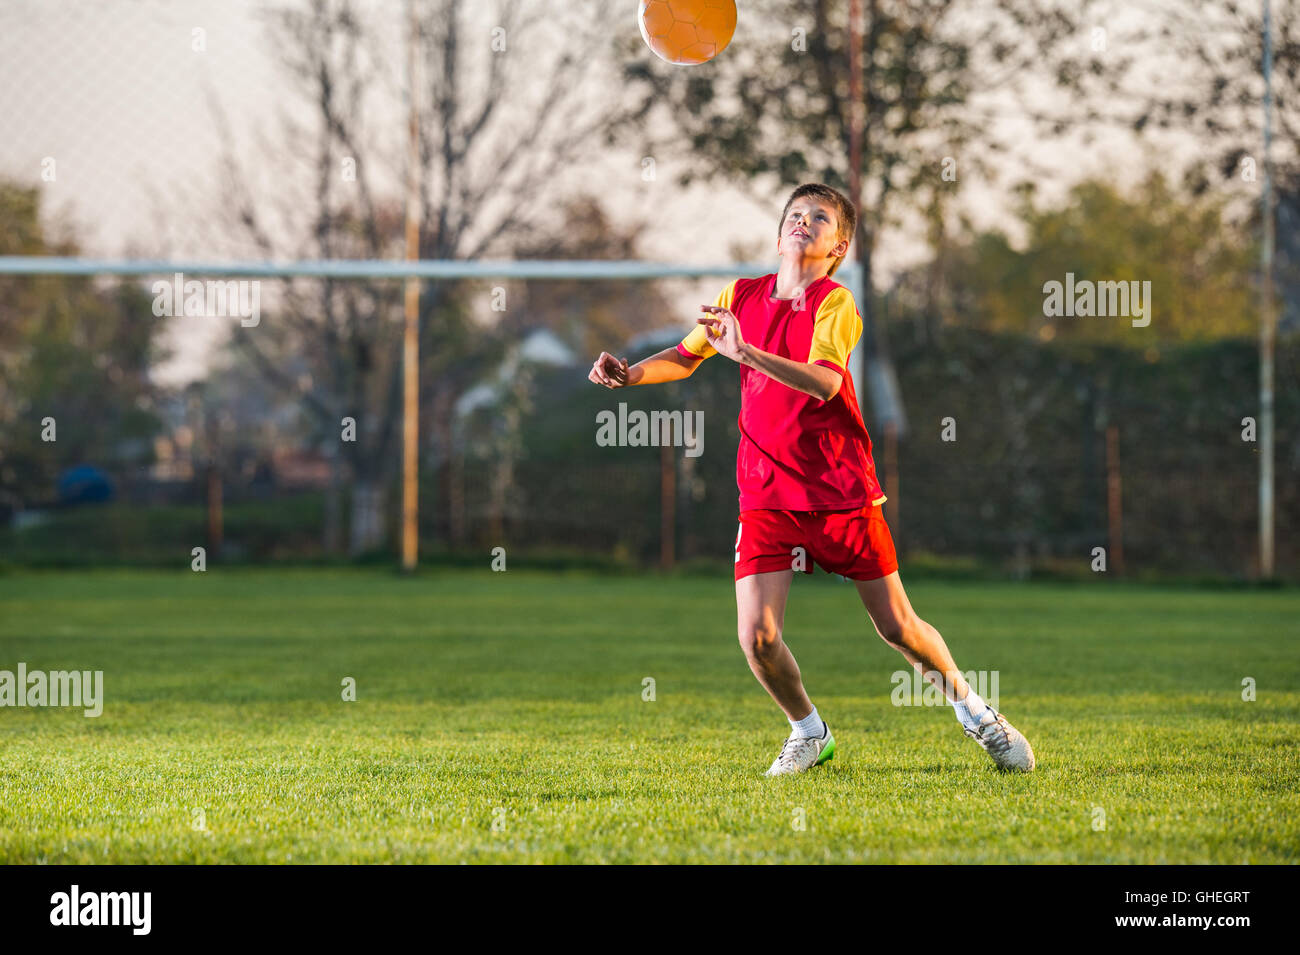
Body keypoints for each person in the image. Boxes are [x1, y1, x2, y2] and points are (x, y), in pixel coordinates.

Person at [588, 183, 1035, 775]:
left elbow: (824, 383)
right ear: (778, 236)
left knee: (898, 628)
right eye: (794, 215)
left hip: (839, 489)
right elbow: (687, 353)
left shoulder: (835, 304)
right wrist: (630, 376)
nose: (803, 222)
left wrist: (745, 354)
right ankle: (809, 732)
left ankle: (977, 714)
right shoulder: (739, 296)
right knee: (758, 637)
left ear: (838, 244)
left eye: (818, 218)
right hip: (767, 493)